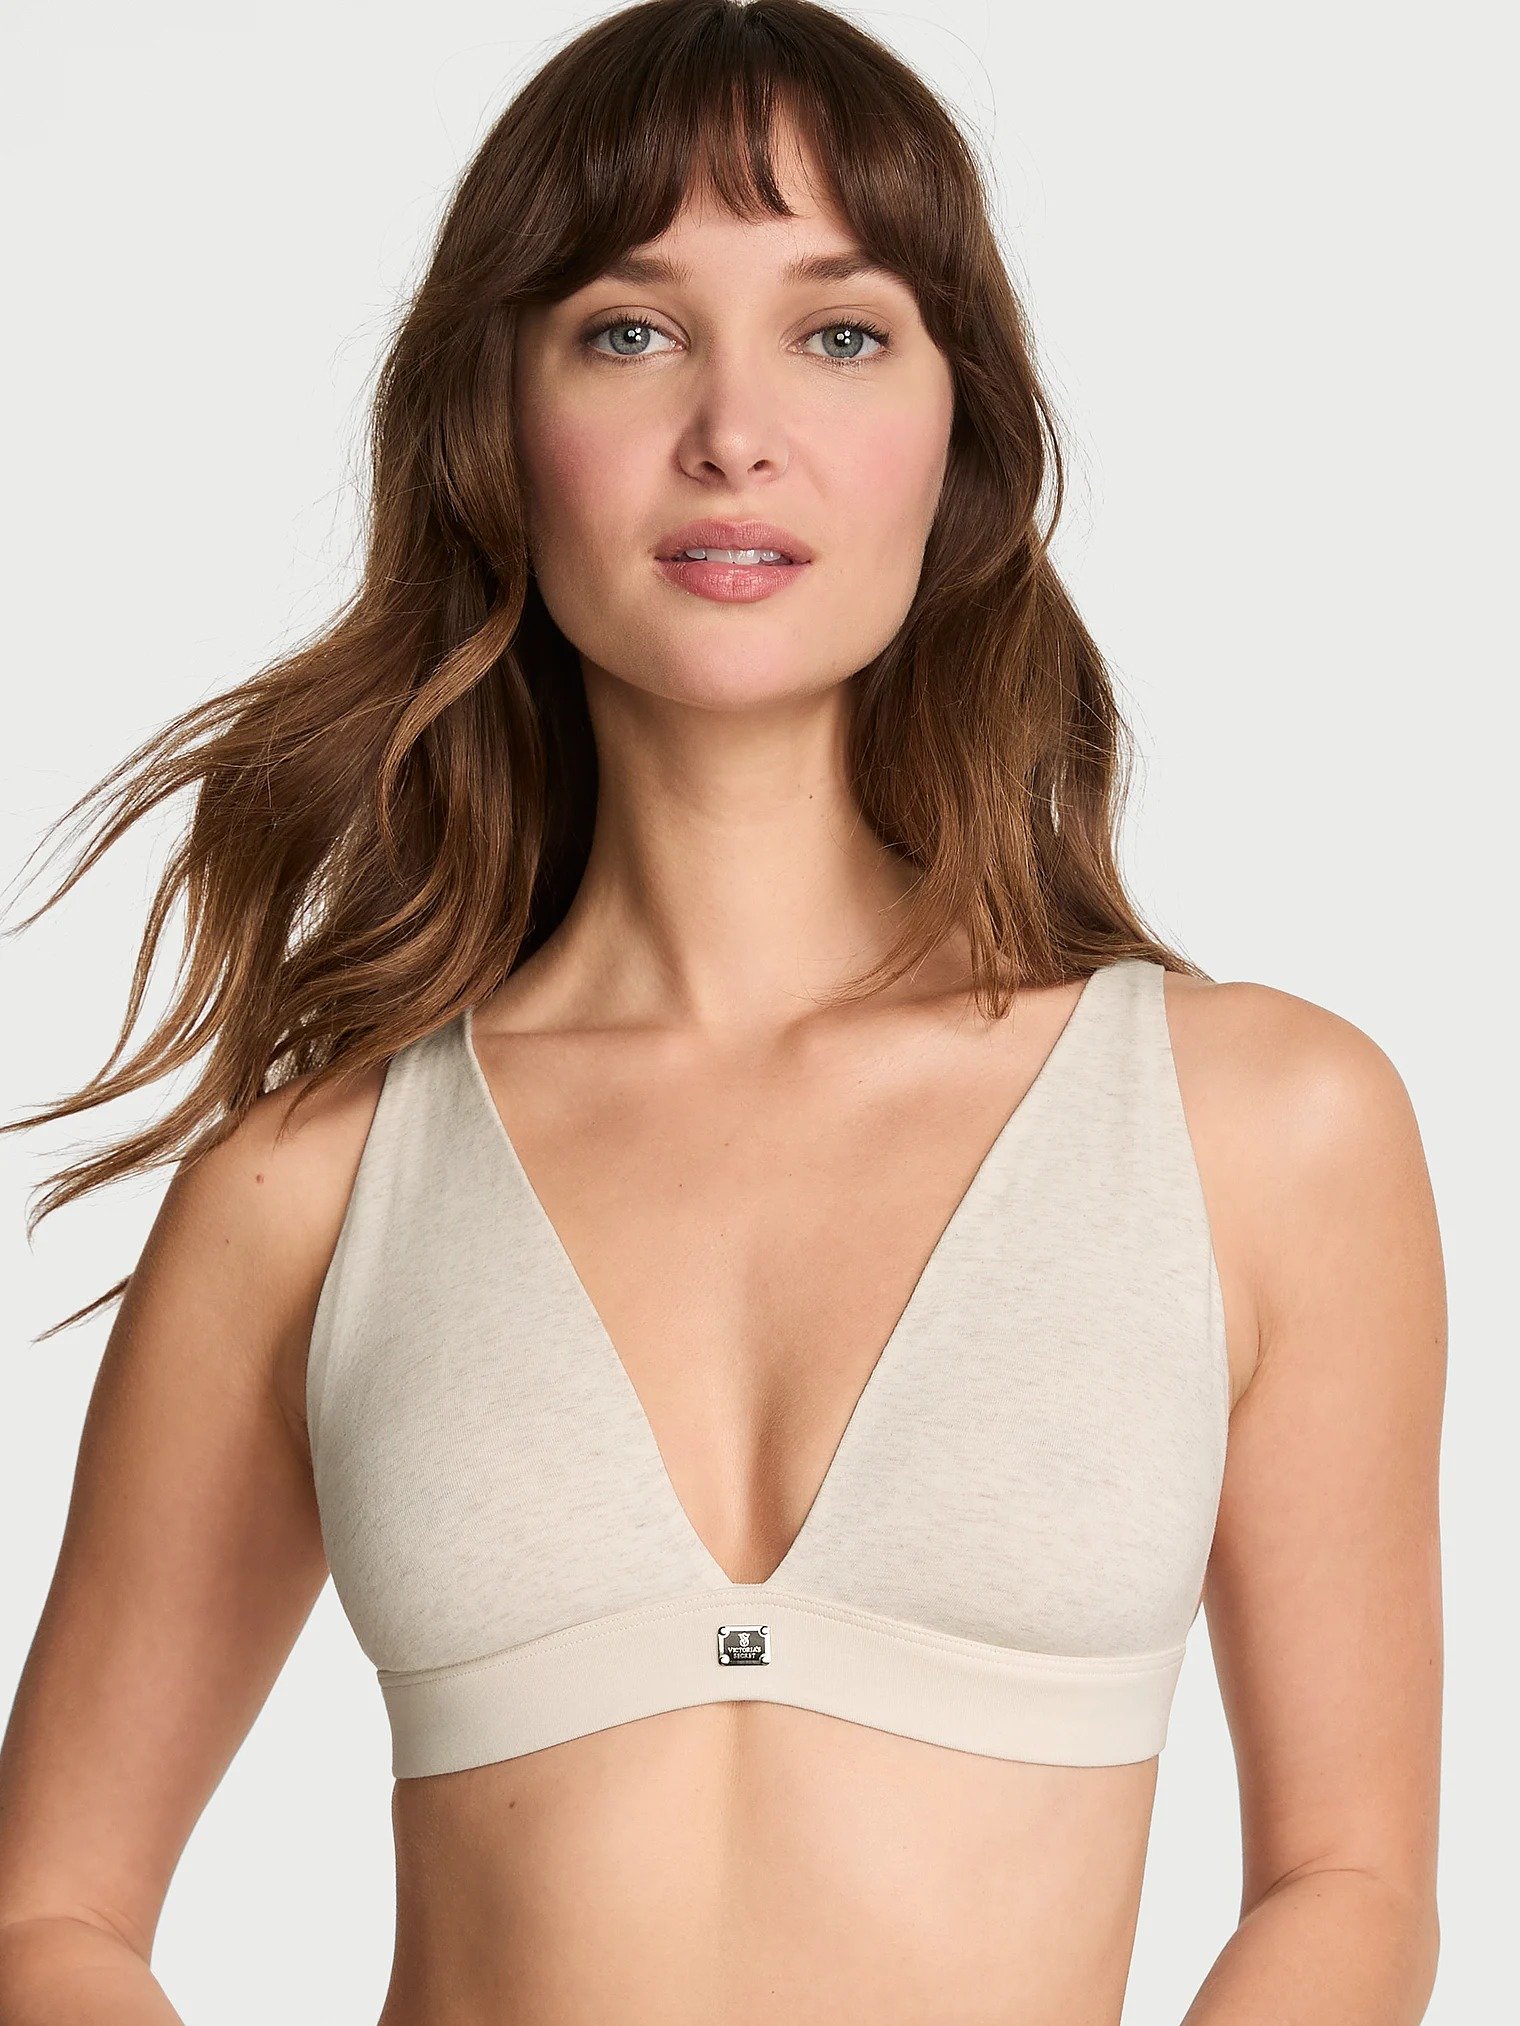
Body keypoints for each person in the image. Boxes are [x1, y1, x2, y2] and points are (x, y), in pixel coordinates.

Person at [0, 2, 1444, 2021]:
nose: (733, 431)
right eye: (629, 330)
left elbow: (1349, 1880)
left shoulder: (1263, 1126)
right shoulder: (311, 1184)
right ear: (497, 428)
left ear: (958, 436)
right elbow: (47, 1909)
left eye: (839, 332)